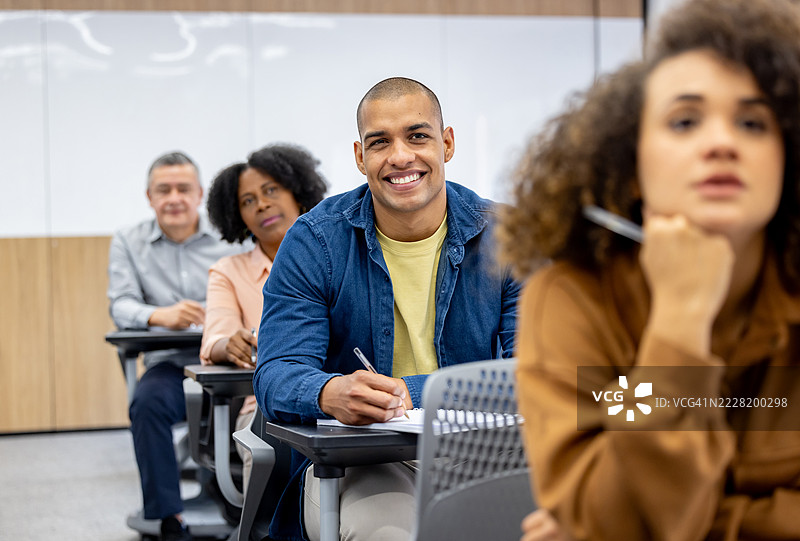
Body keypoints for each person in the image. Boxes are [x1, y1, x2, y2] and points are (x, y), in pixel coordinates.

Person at [498, 0, 800, 539]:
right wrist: (679, 325)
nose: (722, 143)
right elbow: (618, 519)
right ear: (631, 163)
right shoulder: (571, 298)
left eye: (753, 122)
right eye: (685, 121)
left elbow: (610, 528)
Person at [252, 77, 521, 541]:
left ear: (447, 143)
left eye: (417, 136)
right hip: (357, 463)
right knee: (393, 534)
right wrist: (328, 391)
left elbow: (540, 372)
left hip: (482, 452)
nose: (400, 157)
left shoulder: (510, 236)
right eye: (380, 143)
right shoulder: (315, 240)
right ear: (360, 157)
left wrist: (409, 391)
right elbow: (276, 372)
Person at [107, 151, 241, 541]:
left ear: (199, 193)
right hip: (171, 364)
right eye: (163, 190)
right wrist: (158, 315)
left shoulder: (229, 239)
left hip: (228, 365)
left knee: (256, 403)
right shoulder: (128, 241)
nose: (174, 198)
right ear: (149, 197)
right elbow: (120, 303)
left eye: (183, 188)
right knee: (146, 404)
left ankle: (238, 502)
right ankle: (168, 518)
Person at [200, 143, 327, 487]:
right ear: (236, 216)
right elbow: (215, 339)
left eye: (271, 190)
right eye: (248, 200)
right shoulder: (228, 271)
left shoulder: (337, 255)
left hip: (339, 401)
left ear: (297, 192)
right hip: (264, 411)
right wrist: (230, 345)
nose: (262, 204)